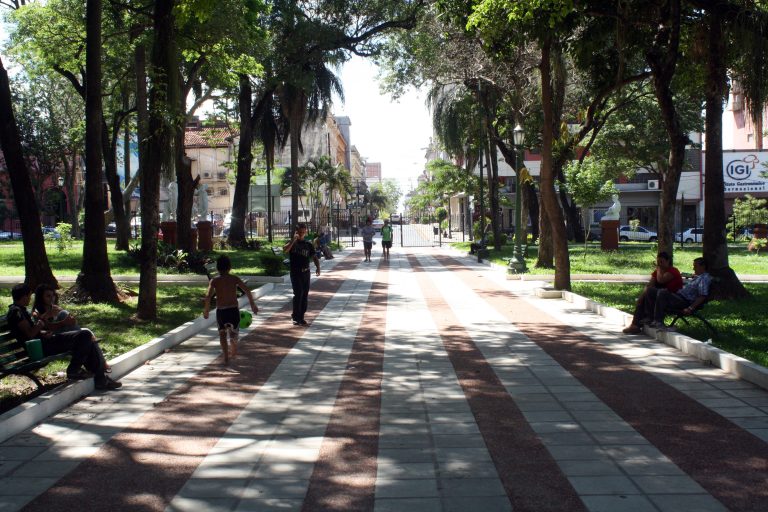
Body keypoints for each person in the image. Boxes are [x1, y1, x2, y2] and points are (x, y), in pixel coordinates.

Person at [7, 284, 120, 390]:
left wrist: (43, 333)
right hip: (40, 348)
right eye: (29, 296)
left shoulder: (20, 310)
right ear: (24, 296)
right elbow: (30, 334)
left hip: (44, 342)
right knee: (85, 336)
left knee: (86, 338)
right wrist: (41, 322)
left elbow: (32, 332)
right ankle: (74, 369)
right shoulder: (16, 312)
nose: (30, 298)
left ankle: (100, 379)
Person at [32, 283, 111, 373]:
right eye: (48, 296)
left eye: (53, 295)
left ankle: (100, 366)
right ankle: (100, 366)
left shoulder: (55, 308)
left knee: (86, 332)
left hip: (64, 335)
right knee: (85, 336)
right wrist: (59, 320)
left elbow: (65, 324)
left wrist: (69, 320)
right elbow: (45, 328)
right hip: (53, 340)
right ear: (40, 298)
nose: (52, 298)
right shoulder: (37, 312)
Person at [203, 255, 259, 364]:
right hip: (233, 310)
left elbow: (208, 296)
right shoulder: (234, 279)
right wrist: (253, 305)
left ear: (218, 268)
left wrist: (206, 310)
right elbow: (247, 290)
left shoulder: (214, 281)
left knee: (222, 334)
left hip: (221, 312)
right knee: (233, 333)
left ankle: (225, 357)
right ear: (230, 268)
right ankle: (233, 341)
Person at [623, 252, 683, 334]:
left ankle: (637, 324)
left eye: (662, 262)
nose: (659, 264)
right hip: (659, 297)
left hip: (671, 297)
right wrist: (641, 296)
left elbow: (661, 280)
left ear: (668, 261)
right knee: (643, 298)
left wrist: (658, 269)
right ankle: (636, 325)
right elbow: (650, 285)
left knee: (650, 295)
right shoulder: (658, 272)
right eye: (658, 262)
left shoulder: (673, 271)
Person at [649, 257, 712, 329]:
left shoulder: (704, 279)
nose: (693, 268)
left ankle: (658, 322)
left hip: (685, 301)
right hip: (678, 297)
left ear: (703, 266)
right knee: (651, 291)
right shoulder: (698, 277)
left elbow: (702, 296)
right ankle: (650, 318)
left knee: (663, 293)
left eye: (695, 266)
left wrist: (690, 308)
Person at [283, 223, 321, 326]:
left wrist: (318, 267)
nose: (301, 234)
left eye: (303, 232)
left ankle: (301, 317)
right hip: (295, 272)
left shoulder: (308, 244)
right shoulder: (292, 243)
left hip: (306, 272)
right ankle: (295, 317)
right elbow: (285, 250)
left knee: (304, 295)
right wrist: (293, 241)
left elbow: (314, 257)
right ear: (296, 232)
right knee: (298, 293)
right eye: (300, 232)